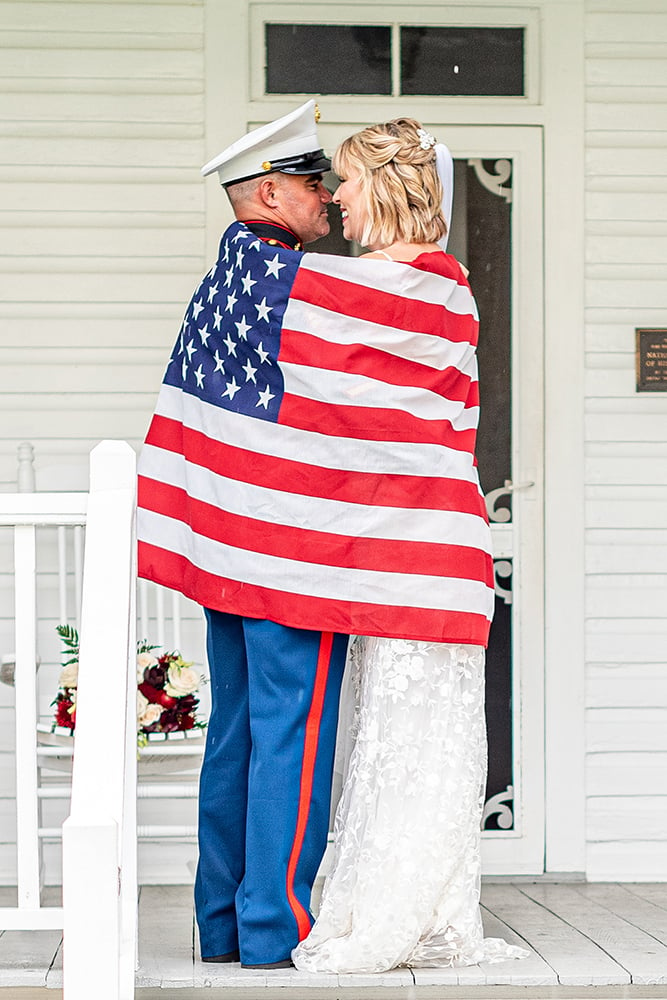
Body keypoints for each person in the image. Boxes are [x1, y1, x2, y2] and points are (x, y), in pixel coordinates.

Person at [291, 119, 529, 973]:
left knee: (408, 737)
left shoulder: (400, 283)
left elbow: (303, 336)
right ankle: (407, 906)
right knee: (402, 737)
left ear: (386, 186)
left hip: (412, 548)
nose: (334, 198)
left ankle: (392, 912)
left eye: (344, 181)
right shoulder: (446, 281)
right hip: (421, 545)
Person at [136, 101, 350, 969]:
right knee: (291, 737)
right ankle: (276, 929)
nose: (330, 200)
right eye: (313, 185)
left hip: (227, 549)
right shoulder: (293, 281)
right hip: (286, 551)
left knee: (239, 733)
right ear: (267, 193)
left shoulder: (223, 281)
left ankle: (223, 924)